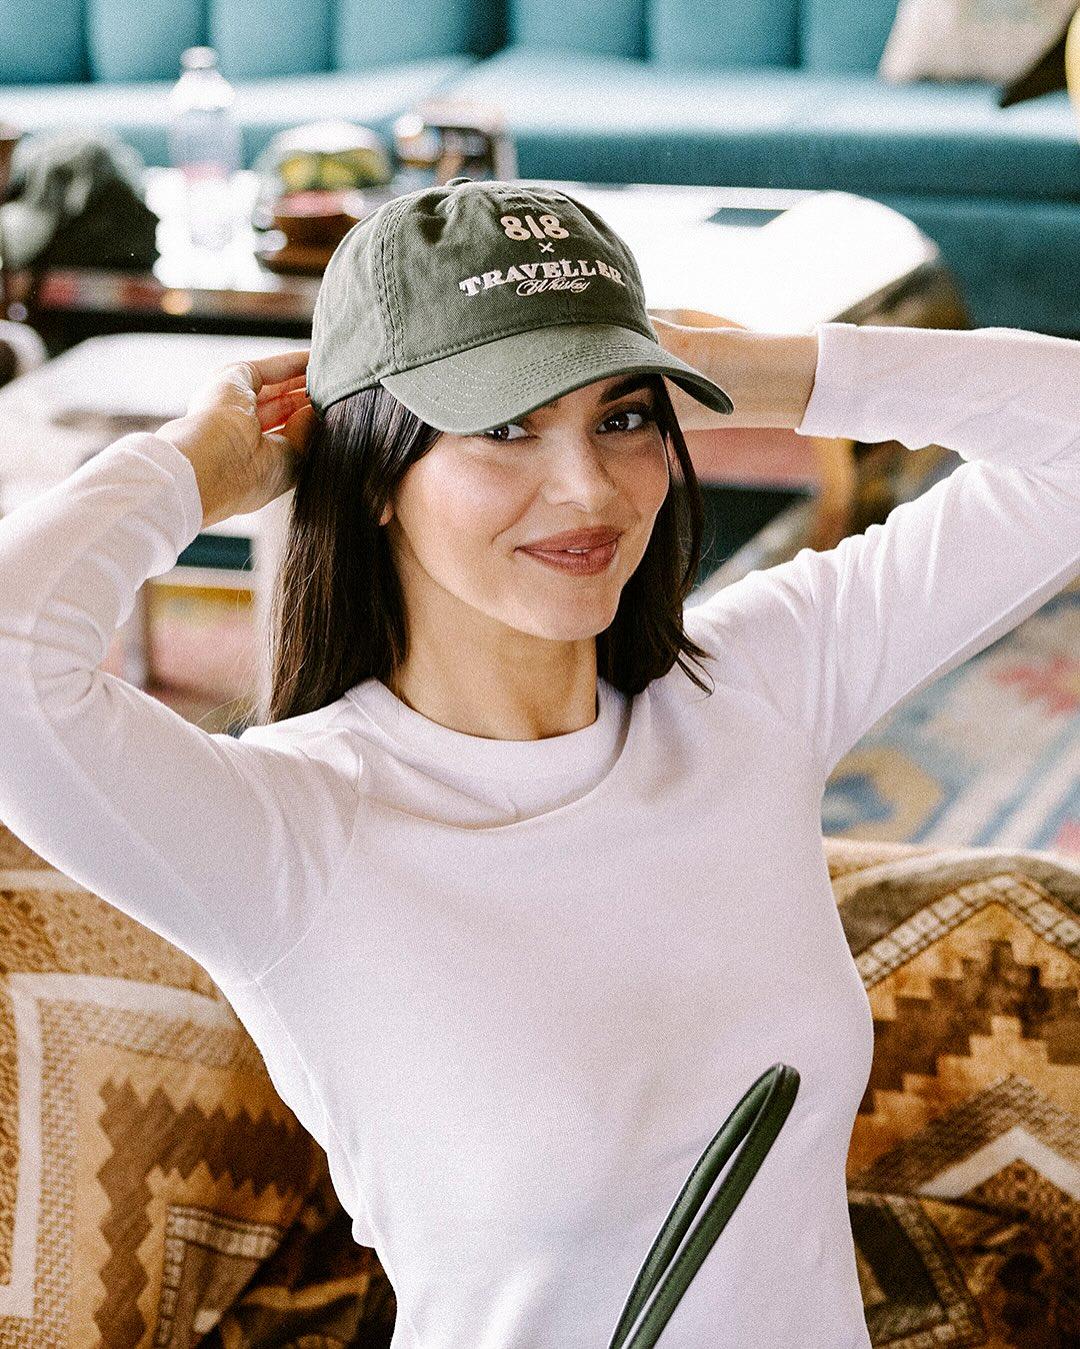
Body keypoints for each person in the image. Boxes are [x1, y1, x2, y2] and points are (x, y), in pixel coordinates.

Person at [0, 176, 1077, 1349]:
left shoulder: (747, 694)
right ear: (373, 471)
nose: (589, 489)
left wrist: (750, 368)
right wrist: (200, 463)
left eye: (622, 417)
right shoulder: (291, 831)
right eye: (507, 426)